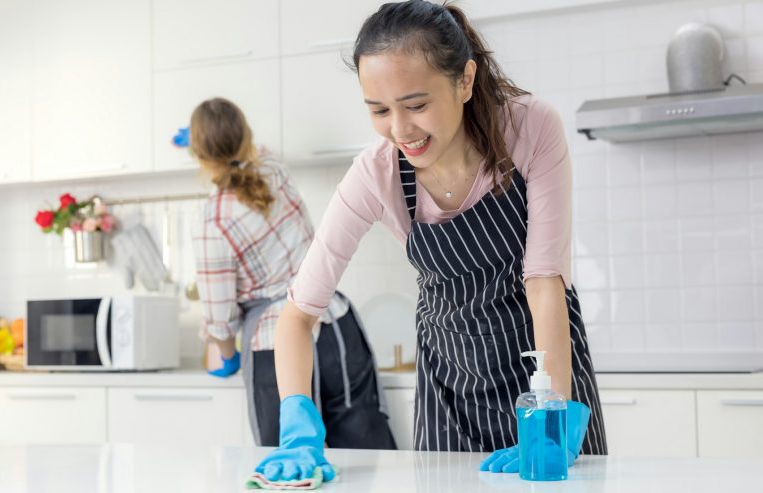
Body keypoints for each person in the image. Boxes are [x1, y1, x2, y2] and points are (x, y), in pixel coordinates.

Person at [253, 0, 607, 483]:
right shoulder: (374, 176)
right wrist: (296, 423)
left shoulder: (529, 128)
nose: (400, 130)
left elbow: (545, 282)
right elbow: (297, 315)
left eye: (416, 105)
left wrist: (551, 416)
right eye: (379, 110)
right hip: (450, 389)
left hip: (546, 382)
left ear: (464, 80)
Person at [189, 97, 397, 450]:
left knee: (291, 467)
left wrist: (227, 355)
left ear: (199, 155)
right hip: (335, 324)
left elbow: (219, 319)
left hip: (275, 349)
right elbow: (255, 151)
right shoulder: (274, 169)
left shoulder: (212, 218)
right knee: (369, 456)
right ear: (247, 136)